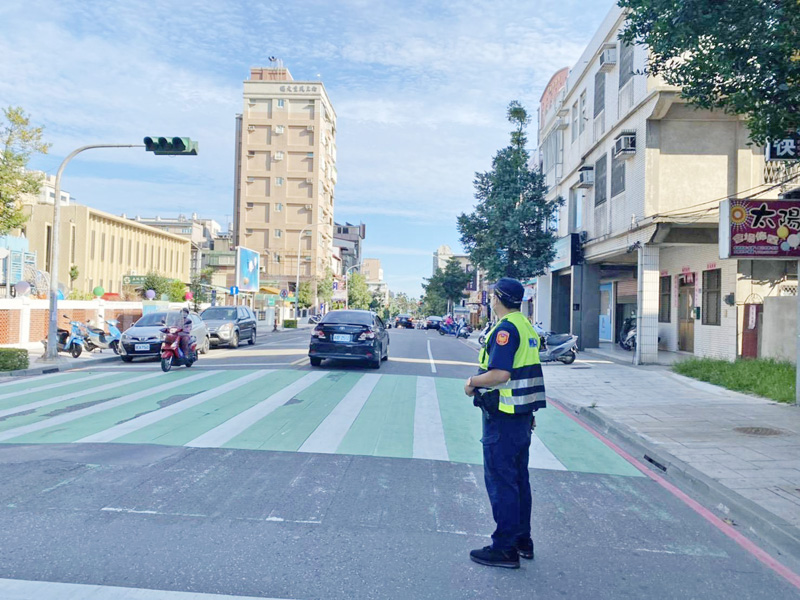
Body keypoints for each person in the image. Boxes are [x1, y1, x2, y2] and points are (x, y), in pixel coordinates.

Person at [463, 277, 546, 569]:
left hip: (504, 416)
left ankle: (504, 548)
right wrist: (530, 413)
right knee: (519, 480)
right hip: (522, 416)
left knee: (502, 481)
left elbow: (501, 374)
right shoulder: (526, 326)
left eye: (491, 296)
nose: (490, 300)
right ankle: (523, 540)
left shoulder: (506, 329)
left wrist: (472, 382)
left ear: (497, 298)